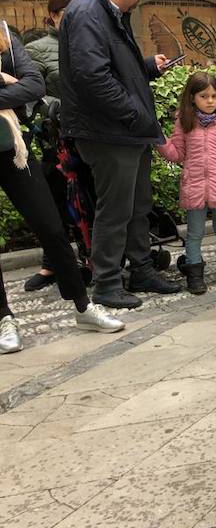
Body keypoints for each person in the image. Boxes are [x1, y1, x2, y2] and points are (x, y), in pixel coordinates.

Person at [58, 0, 181, 309]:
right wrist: (136, 117)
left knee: (136, 206)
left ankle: (141, 269)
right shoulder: (87, 12)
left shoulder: (108, 14)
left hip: (125, 132)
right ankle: (108, 285)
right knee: (115, 210)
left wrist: (146, 67)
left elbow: (111, 70)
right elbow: (92, 79)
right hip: (110, 133)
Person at [0, 23, 124, 353]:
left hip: (13, 150)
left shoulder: (6, 39)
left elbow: (34, 85)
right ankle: (4, 317)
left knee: (51, 227)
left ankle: (83, 306)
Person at [156, 72, 216, 295]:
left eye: (214, 96)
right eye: (204, 96)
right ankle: (194, 273)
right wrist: (159, 140)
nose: (210, 101)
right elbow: (177, 153)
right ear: (192, 98)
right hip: (195, 185)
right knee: (195, 232)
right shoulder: (185, 123)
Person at [22, 0, 76, 292]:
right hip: (56, 138)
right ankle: (51, 263)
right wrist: (57, 110)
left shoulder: (89, 43)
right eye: (65, 11)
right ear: (52, 16)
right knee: (55, 200)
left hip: (91, 134)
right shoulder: (37, 49)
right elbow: (32, 94)